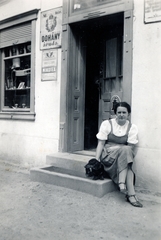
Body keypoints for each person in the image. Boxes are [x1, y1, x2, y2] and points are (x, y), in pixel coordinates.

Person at [95, 102, 143, 208]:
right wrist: (96, 159)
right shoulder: (107, 124)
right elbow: (101, 143)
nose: (121, 114)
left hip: (121, 156)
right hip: (108, 157)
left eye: (124, 112)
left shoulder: (132, 127)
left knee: (126, 151)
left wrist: (117, 147)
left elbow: (130, 147)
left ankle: (125, 187)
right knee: (127, 158)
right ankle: (130, 193)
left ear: (128, 114)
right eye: (119, 112)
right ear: (115, 113)